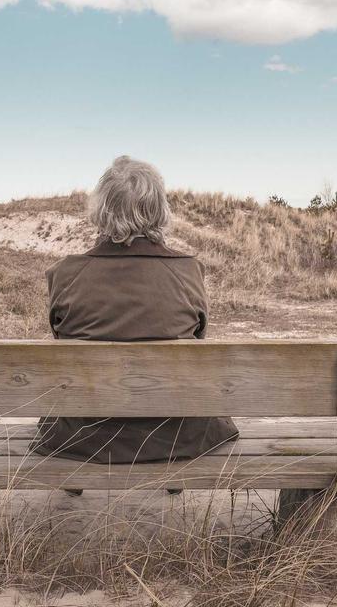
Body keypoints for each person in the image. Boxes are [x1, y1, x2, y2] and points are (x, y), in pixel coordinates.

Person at [30, 155, 239, 466]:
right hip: (176, 435)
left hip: (85, 438)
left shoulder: (65, 274)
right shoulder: (188, 272)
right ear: (159, 209)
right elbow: (198, 339)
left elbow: (61, 340)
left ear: (102, 210)